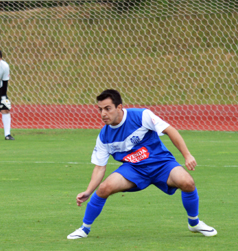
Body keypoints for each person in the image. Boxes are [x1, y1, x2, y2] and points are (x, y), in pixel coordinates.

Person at [67, 89, 217, 240]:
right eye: (100, 109)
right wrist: (88, 191)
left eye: (107, 108)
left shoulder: (141, 116)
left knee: (187, 182)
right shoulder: (104, 136)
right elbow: (100, 167)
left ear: (119, 107)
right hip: (134, 170)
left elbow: (170, 130)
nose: (103, 114)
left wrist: (187, 155)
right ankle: (84, 229)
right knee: (104, 188)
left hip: (161, 164)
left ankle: (194, 223)